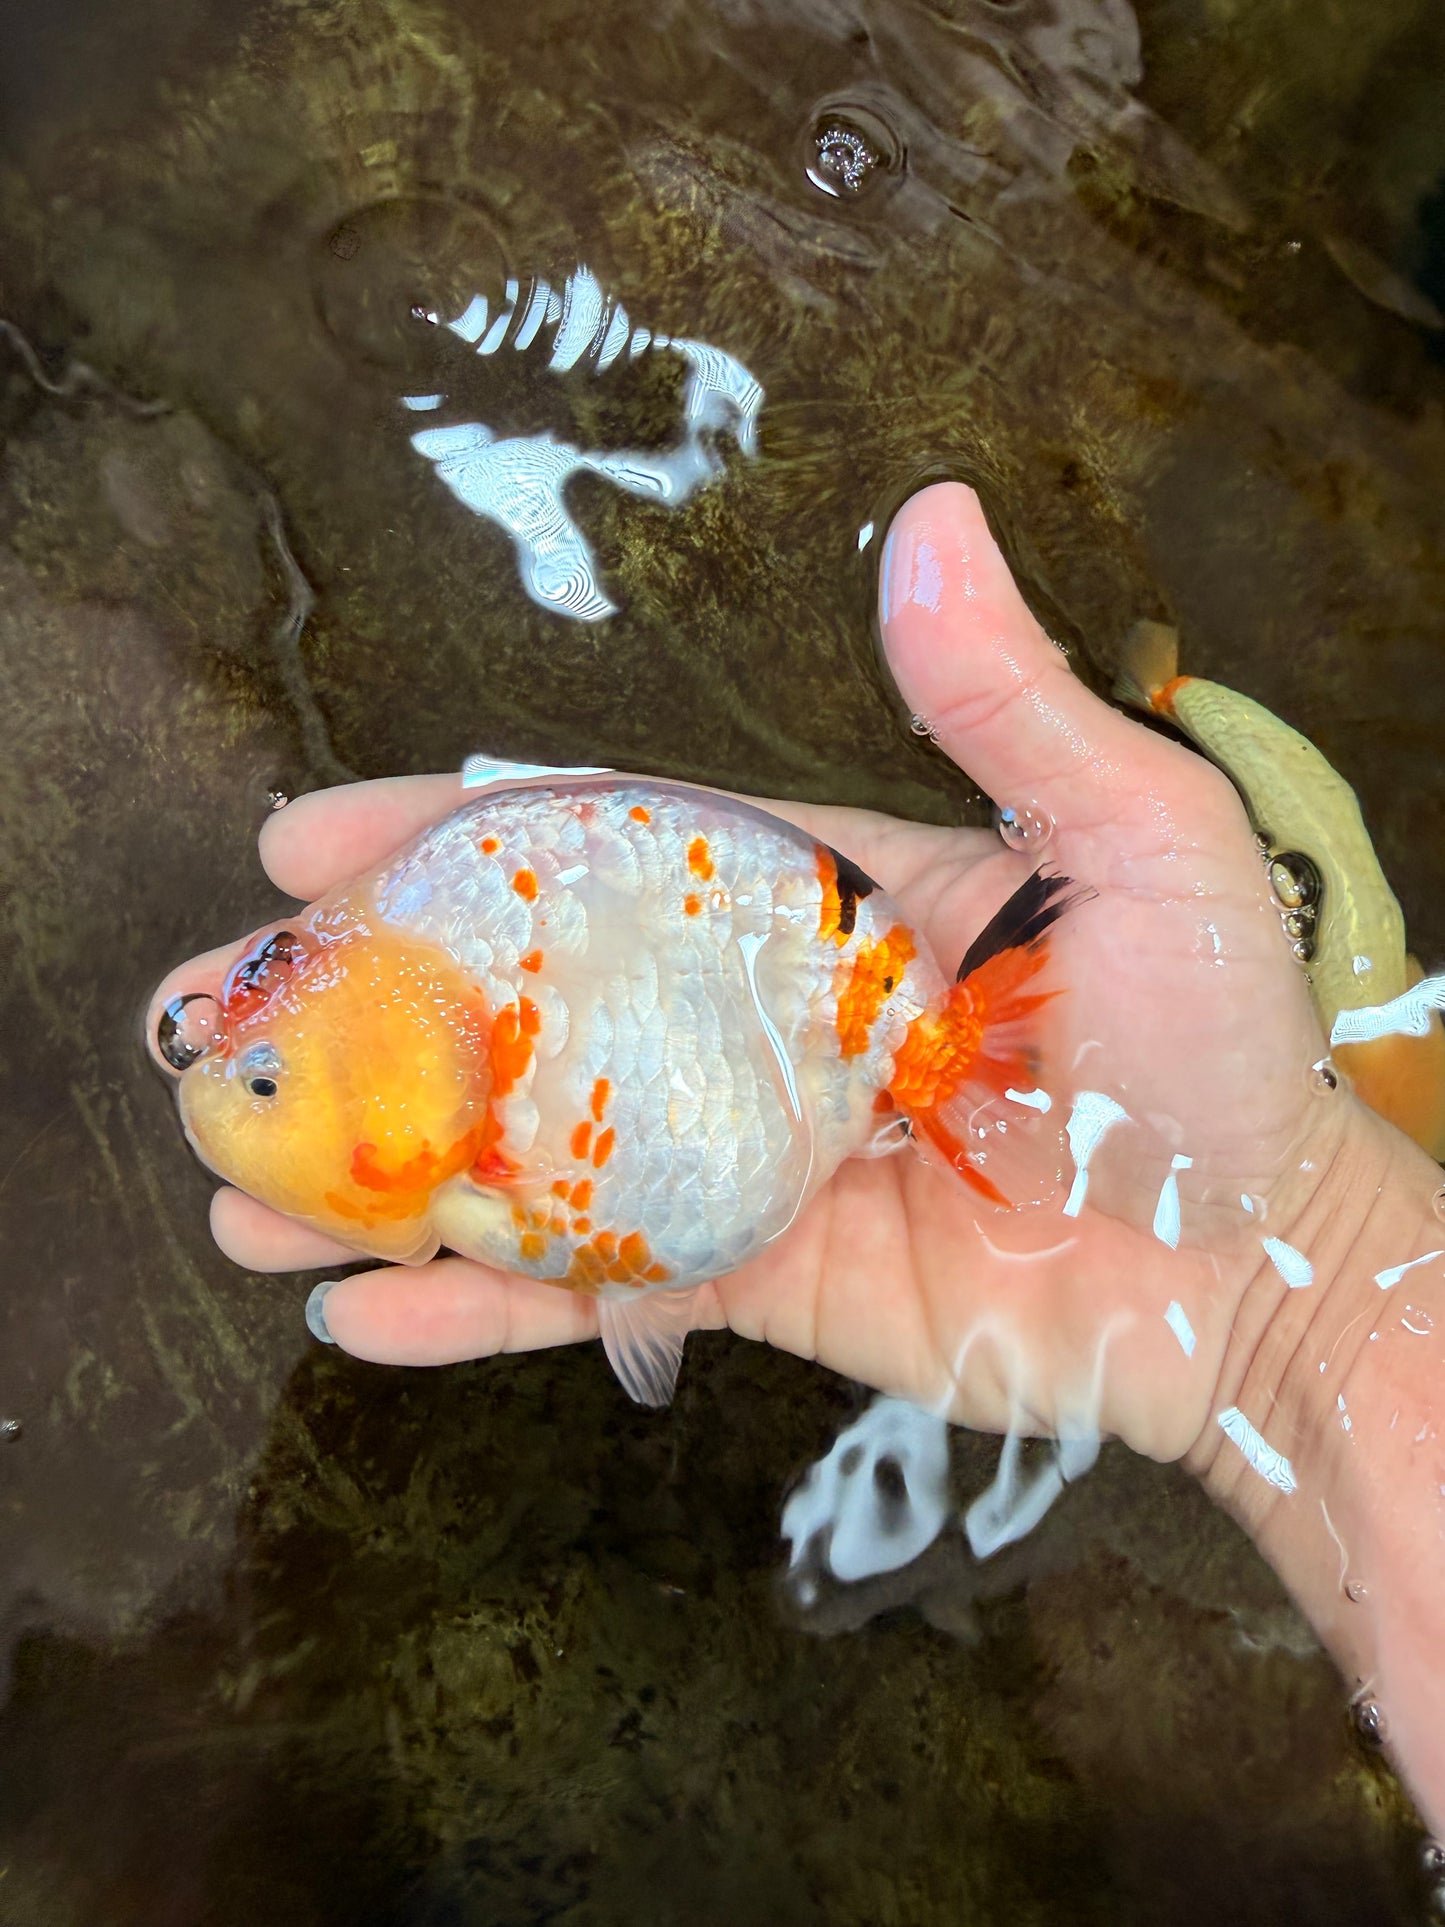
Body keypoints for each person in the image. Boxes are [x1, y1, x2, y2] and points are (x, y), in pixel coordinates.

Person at [150, 482, 1445, 1834]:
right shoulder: (420, 967)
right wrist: (1301, 1283)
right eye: (244, 1065)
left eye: (258, 1076)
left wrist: (1288, 1272)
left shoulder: (468, 1036)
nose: (235, 1092)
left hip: (815, 1063)